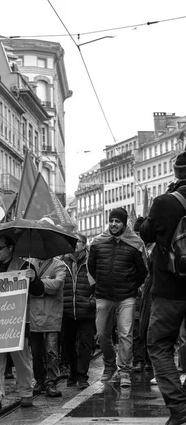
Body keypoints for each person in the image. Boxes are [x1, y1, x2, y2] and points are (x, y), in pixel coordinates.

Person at [138, 151, 186, 425]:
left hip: (170, 288)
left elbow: (146, 233)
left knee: (159, 344)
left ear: (177, 173)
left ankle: (179, 409)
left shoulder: (165, 202)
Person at [0, 234, 45, 411]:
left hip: (18, 321)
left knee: (21, 359)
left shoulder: (25, 266)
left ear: (10, 248)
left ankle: (26, 393)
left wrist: (33, 278)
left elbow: (38, 291)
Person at [89, 207, 147, 388]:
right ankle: (109, 364)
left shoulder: (135, 244)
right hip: (104, 295)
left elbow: (142, 271)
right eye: (111, 221)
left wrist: (131, 287)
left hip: (126, 297)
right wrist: (101, 284)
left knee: (125, 334)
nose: (114, 224)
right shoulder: (98, 242)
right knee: (101, 335)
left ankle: (124, 371)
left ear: (125, 223)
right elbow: (91, 268)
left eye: (118, 221)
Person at [61, 233, 96, 390]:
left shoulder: (91, 262)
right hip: (68, 310)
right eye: (72, 242)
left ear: (84, 244)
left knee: (85, 344)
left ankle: (82, 376)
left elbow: (99, 284)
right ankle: (73, 372)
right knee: (68, 345)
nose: (74, 245)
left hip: (86, 310)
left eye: (77, 242)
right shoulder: (62, 262)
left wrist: (92, 301)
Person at [28, 255, 66, 398]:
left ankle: (52, 382)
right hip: (34, 315)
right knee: (36, 352)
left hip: (52, 314)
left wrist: (36, 281)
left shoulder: (59, 265)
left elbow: (56, 285)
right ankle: (40, 380)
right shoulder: (29, 264)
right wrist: (43, 283)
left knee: (51, 351)